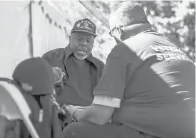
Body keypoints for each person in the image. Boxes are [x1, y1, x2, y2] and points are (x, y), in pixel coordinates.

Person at [62, 1, 195, 138]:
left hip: (152, 133)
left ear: (118, 31)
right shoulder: (178, 51)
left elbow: (100, 115)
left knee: (74, 131)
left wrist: (75, 112)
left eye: (111, 33)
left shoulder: (125, 49)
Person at [42, 18, 104, 107]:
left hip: (86, 118)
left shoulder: (101, 68)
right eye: (79, 39)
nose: (84, 43)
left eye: (88, 41)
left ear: (93, 43)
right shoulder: (51, 58)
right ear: (70, 38)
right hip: (55, 116)